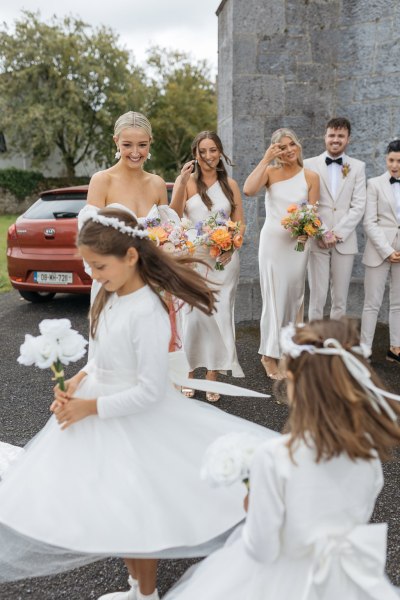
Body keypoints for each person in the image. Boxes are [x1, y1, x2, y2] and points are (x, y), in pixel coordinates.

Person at [0, 207, 277, 600]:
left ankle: (146, 595)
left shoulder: (147, 311)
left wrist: (89, 408)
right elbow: (101, 355)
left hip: (133, 421)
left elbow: (150, 391)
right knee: (118, 513)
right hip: (101, 410)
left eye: (98, 266)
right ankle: (134, 588)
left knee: (138, 516)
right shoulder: (110, 296)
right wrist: (78, 380)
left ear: (130, 257)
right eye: (89, 266)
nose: (92, 275)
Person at [163, 319, 400, 600]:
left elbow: (261, 549)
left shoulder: (276, 457)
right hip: (343, 580)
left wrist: (252, 505)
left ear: (293, 383)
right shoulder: (367, 456)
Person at [170, 131, 245, 401]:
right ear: (195, 154)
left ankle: (213, 376)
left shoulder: (230, 185)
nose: (209, 156)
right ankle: (188, 373)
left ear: (220, 152)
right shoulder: (188, 183)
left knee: (221, 315)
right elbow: (174, 214)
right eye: (203, 151)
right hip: (194, 258)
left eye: (213, 150)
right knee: (192, 318)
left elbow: (240, 223)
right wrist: (180, 182)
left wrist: (232, 245)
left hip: (223, 260)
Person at [243, 128, 320, 380]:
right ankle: (268, 354)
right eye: (282, 147)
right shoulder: (269, 172)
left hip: (297, 246)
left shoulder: (311, 176)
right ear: (275, 150)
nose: (288, 151)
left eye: (291, 145)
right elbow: (248, 190)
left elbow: (313, 214)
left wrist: (306, 232)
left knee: (294, 298)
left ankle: (289, 350)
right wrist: (265, 159)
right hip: (273, 245)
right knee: (274, 298)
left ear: (297, 145)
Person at [304, 117, 367, 321]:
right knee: (317, 296)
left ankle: (335, 344)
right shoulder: (308, 165)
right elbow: (306, 203)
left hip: (344, 240)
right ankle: (314, 344)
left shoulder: (358, 167)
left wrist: (336, 234)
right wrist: (322, 232)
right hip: (317, 239)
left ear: (348, 139)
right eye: (332, 135)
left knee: (340, 298)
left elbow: (358, 206)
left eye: (341, 136)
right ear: (325, 137)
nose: (335, 139)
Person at [86, 110, 168, 218]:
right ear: (116, 141)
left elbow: (168, 230)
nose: (135, 152)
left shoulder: (158, 184)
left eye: (142, 145)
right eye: (127, 145)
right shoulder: (101, 181)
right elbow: (91, 232)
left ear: (150, 141)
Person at [361, 139, 400, 360]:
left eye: (399, 161)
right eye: (391, 160)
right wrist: (387, 250)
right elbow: (369, 222)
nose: (394, 165)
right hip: (378, 251)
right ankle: (365, 349)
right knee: (372, 303)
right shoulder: (374, 184)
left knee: (398, 303)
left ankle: (395, 348)